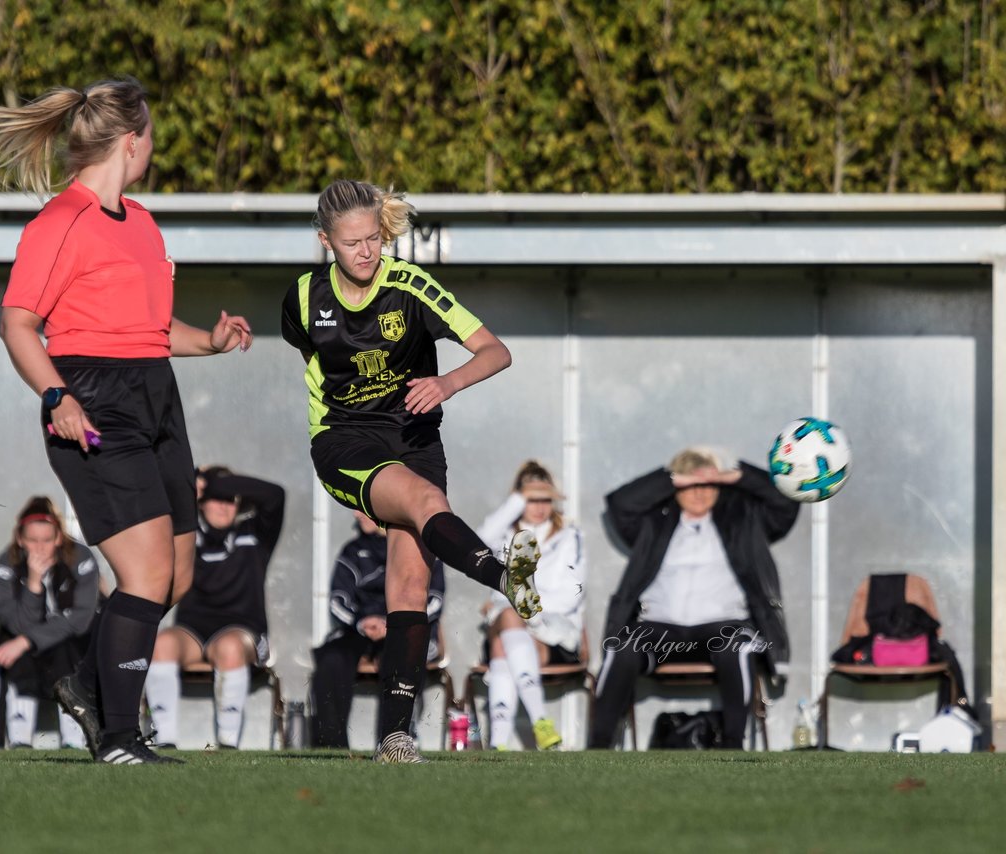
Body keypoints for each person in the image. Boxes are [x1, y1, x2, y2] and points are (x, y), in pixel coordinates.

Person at [0, 77, 253, 765]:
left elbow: (151, 331)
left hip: (157, 396)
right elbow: (17, 326)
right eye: (153, 136)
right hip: (91, 405)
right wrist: (55, 397)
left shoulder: (143, 222)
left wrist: (208, 342)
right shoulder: (58, 222)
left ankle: (85, 682)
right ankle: (119, 738)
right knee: (147, 574)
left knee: (177, 576)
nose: (154, 147)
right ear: (133, 141)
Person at [279, 179, 542, 763]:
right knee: (425, 503)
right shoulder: (303, 298)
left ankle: (395, 738)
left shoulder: (411, 285)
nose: (367, 252)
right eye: (352, 243)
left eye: (375, 238)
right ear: (326, 242)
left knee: (411, 587)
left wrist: (447, 382)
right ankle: (503, 578)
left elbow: (495, 351)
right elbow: (318, 363)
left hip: (417, 436)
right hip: (345, 441)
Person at [588, 447, 799, 750]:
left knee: (737, 645)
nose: (700, 493)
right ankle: (597, 747)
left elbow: (786, 503)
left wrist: (736, 476)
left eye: (708, 485)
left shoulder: (742, 518)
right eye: (691, 485)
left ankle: (732, 745)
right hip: (661, 626)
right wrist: (672, 478)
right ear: (677, 486)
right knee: (622, 646)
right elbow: (619, 503)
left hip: (722, 625)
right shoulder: (654, 522)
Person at [144, 466, 285, 749]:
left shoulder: (255, 534)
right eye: (214, 498)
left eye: (229, 498)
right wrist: (192, 482)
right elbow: (156, 498)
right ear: (200, 502)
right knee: (161, 644)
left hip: (244, 631)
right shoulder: (186, 535)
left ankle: (227, 744)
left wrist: (212, 483)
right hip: (193, 630)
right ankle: (164, 741)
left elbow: (275, 495)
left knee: (229, 648)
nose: (222, 505)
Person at [310, 511, 446, 749]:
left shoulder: (421, 550)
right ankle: (330, 747)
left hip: (403, 628)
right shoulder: (352, 551)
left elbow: (434, 600)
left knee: (403, 657)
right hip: (359, 629)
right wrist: (361, 623)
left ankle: (395, 742)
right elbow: (337, 600)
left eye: (363, 507)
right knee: (331, 659)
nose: (355, 513)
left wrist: (394, 622)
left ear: (386, 508)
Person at [476, 461, 585, 751]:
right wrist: (517, 500)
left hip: (556, 633)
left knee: (505, 633)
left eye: (544, 499)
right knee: (511, 617)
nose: (538, 507)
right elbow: (478, 540)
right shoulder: (505, 536)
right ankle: (541, 725)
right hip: (515, 626)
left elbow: (570, 594)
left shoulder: (570, 537)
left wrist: (525, 606)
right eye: (530, 499)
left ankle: (498, 742)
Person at [0, 496, 101, 749]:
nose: (40, 548)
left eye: (47, 540)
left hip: (72, 644)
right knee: (11, 651)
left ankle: (74, 737)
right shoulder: (8, 562)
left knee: (65, 649)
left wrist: (27, 641)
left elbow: (81, 619)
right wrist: (34, 584)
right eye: (33, 541)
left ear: (59, 538)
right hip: (27, 644)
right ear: (20, 539)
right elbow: (16, 623)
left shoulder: (80, 557)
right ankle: (19, 738)